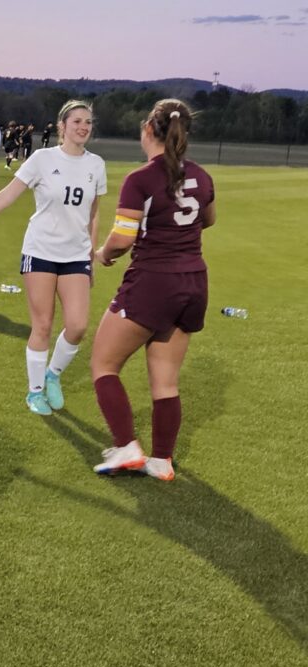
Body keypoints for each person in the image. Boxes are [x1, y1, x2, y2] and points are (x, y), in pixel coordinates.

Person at [0, 100, 106, 415]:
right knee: (43, 324)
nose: (83, 127)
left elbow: (93, 213)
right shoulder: (42, 158)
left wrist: (92, 251)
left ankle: (52, 374)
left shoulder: (96, 165)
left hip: (76, 255)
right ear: (62, 126)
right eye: (77, 121)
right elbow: (7, 196)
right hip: (40, 251)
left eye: (88, 122)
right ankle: (35, 391)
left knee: (77, 326)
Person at [89, 99, 215, 481]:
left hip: (153, 282)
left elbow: (123, 238)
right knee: (166, 379)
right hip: (194, 281)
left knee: (104, 364)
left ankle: (126, 446)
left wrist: (103, 253)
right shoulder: (203, 175)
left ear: (148, 129)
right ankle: (161, 460)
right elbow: (207, 220)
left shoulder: (140, 179)